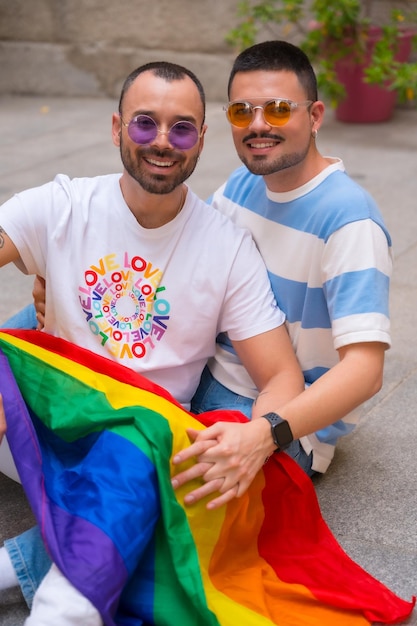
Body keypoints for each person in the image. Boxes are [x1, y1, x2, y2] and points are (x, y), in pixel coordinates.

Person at [0, 60, 304, 625]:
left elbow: (281, 376)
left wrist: (258, 443)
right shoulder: (60, 206)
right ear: (117, 128)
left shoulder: (227, 247)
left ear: (201, 139)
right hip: (41, 428)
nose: (162, 142)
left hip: (142, 442)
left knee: (153, 448)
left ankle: (61, 609)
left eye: (181, 127)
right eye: (145, 124)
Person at [171, 39, 392, 501]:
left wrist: (266, 433)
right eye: (241, 112)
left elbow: (366, 371)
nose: (257, 126)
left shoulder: (349, 221)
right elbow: (187, 256)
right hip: (210, 368)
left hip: (284, 417)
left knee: (166, 489)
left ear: (314, 117)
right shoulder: (242, 184)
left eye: (276, 110)